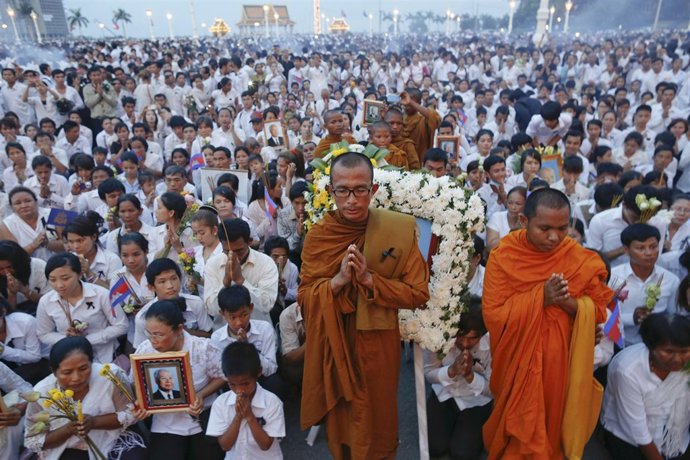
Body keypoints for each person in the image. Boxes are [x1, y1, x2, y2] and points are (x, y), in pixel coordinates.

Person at [299, 151, 430, 458]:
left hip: (377, 344)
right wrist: (339, 281)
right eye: (342, 190)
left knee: (377, 418)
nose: (352, 199)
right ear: (331, 192)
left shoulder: (396, 230)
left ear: (373, 191)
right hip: (336, 341)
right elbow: (305, 297)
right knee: (344, 423)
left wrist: (372, 281)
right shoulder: (320, 236)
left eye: (360, 190)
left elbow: (418, 293)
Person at [482, 188, 613, 459]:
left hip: (562, 360)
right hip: (518, 359)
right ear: (523, 221)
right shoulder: (504, 256)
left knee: (553, 425)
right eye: (545, 228)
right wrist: (540, 297)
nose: (554, 237)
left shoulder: (577, 256)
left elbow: (598, 309)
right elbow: (494, 316)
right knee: (520, 430)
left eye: (562, 228)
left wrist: (566, 302)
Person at [24, 336, 143, 460]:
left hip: (114, 438)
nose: (76, 378)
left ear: (92, 363)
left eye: (83, 368)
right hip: (68, 446)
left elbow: (132, 412)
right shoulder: (42, 392)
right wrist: (68, 429)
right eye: (67, 372)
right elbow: (34, 441)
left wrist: (94, 422)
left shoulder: (109, 375)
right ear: (54, 372)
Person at [133, 301, 225, 460]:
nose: (153, 340)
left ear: (179, 329)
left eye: (159, 334)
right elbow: (137, 382)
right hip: (166, 422)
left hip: (202, 417)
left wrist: (201, 395)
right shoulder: (145, 350)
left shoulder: (202, 347)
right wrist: (142, 402)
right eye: (149, 333)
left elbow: (222, 376)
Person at [600, 313, 690, 460]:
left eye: (684, 351)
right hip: (629, 441)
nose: (678, 359)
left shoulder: (687, 365)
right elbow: (638, 432)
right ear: (650, 347)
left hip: (676, 438)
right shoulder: (627, 371)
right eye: (669, 352)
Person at [424, 310, 493, 460]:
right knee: (435, 447)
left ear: (482, 335)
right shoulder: (440, 336)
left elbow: (493, 390)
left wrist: (470, 376)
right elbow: (429, 372)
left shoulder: (492, 344)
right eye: (460, 337)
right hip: (445, 394)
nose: (464, 343)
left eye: (472, 339)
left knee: (462, 454)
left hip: (476, 401)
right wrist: (451, 370)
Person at [36, 252, 128, 364]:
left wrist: (87, 340)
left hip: (106, 357)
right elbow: (43, 334)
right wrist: (67, 340)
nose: (59, 285)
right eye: (53, 280)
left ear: (79, 274)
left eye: (65, 278)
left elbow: (121, 325)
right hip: (71, 360)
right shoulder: (46, 302)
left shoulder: (101, 294)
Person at [206, 341, 285, 459]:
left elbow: (265, 445)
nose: (239, 390)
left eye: (245, 384)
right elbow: (225, 446)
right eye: (232, 384)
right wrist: (238, 417)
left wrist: (250, 417)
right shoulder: (221, 403)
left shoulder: (272, 402)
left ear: (259, 372)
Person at [609, 224, 680, 346]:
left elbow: (674, 316)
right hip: (617, 344)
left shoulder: (670, 280)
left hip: (656, 345)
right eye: (640, 248)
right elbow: (604, 315)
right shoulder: (613, 278)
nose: (649, 253)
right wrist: (632, 318)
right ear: (626, 250)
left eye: (653, 247)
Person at [211, 285, 283, 399]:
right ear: (223, 314)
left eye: (244, 315)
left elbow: (271, 368)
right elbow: (220, 373)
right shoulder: (217, 338)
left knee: (275, 382)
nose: (239, 322)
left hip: (259, 378)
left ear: (251, 308)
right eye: (232, 317)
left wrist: (247, 347)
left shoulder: (264, 329)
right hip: (233, 383)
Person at [204, 218, 279, 325]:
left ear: (250, 241)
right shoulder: (212, 264)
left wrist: (240, 280)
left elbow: (266, 305)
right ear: (221, 244)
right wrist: (225, 282)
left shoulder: (266, 263)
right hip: (224, 333)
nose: (232, 256)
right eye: (227, 251)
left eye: (239, 251)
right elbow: (212, 310)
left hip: (259, 330)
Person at [133, 258, 213, 348]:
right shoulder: (143, 317)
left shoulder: (195, 303)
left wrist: (180, 331)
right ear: (151, 287)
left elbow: (209, 336)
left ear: (180, 279)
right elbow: (141, 349)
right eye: (162, 282)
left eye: (174, 278)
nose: (170, 286)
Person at [0, 240, 49, 311]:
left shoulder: (39, 267)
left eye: (9, 267)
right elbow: (6, 314)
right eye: (1, 269)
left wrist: (23, 289)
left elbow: (50, 302)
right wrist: (12, 294)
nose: (6, 272)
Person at [401, 88, 442, 163]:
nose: (407, 104)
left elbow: (436, 119)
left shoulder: (423, 120)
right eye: (405, 101)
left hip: (420, 162)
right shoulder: (399, 120)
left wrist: (411, 102)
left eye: (412, 102)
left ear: (419, 103)